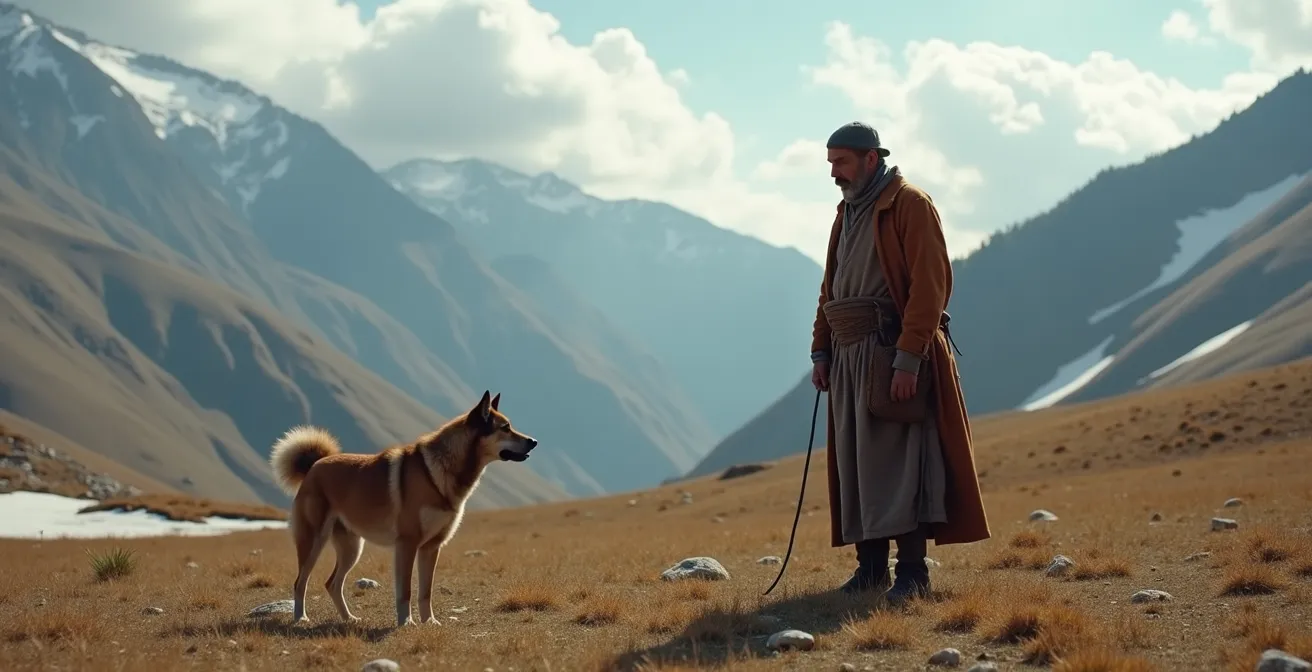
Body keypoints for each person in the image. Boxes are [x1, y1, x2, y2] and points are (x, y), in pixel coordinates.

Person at [809, 121, 991, 606]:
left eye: (841, 162)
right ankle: (869, 570)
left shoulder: (909, 204)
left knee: (902, 459)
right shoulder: (846, 212)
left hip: (891, 351)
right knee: (856, 462)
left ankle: (911, 572)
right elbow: (831, 289)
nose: (834, 173)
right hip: (848, 357)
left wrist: (908, 359)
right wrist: (820, 350)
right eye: (830, 163)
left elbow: (931, 288)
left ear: (872, 159)